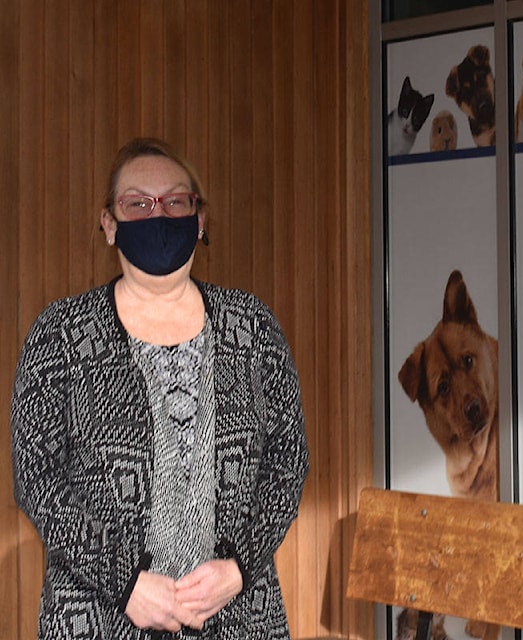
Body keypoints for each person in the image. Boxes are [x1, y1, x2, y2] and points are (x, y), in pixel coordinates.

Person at [10, 137, 309, 639]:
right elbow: (37, 480)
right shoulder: (60, 335)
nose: (158, 215)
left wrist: (237, 568)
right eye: (137, 204)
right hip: (98, 618)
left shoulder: (252, 327)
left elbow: (288, 461)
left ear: (200, 218)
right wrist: (125, 583)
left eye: (175, 201)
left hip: (239, 617)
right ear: (110, 224)